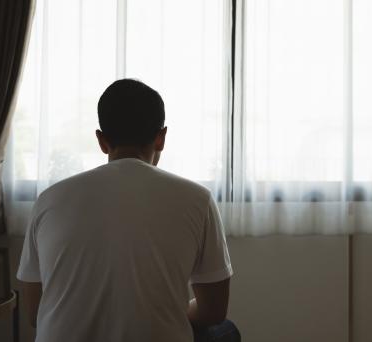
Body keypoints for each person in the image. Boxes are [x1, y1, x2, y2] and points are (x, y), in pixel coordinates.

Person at [17, 79, 238, 342]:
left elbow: (34, 313)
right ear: (161, 137)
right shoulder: (198, 200)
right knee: (226, 331)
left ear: (101, 140)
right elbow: (213, 311)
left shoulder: (48, 200)